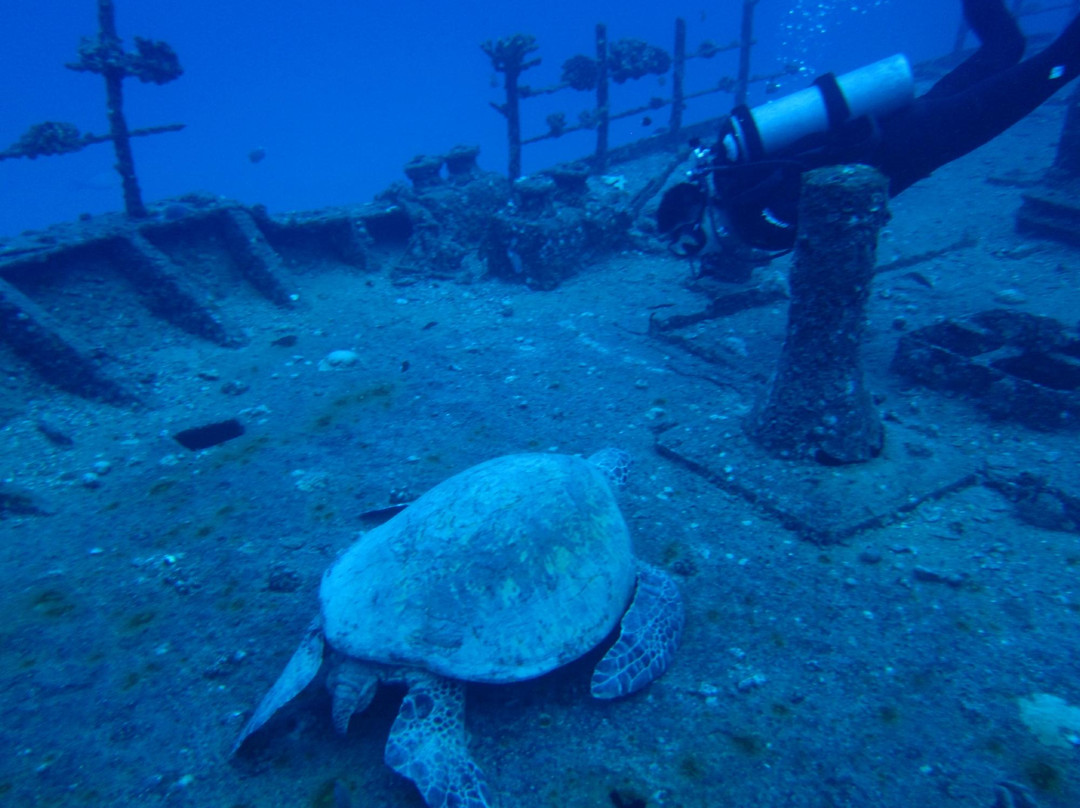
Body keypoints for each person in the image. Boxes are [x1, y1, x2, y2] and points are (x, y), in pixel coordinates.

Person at [657, 0, 1080, 279]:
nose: (699, 257)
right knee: (1006, 46)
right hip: (906, 120)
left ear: (692, 228)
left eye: (687, 249)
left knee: (1057, 63)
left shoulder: (754, 221)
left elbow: (835, 221)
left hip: (918, 141)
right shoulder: (734, 175)